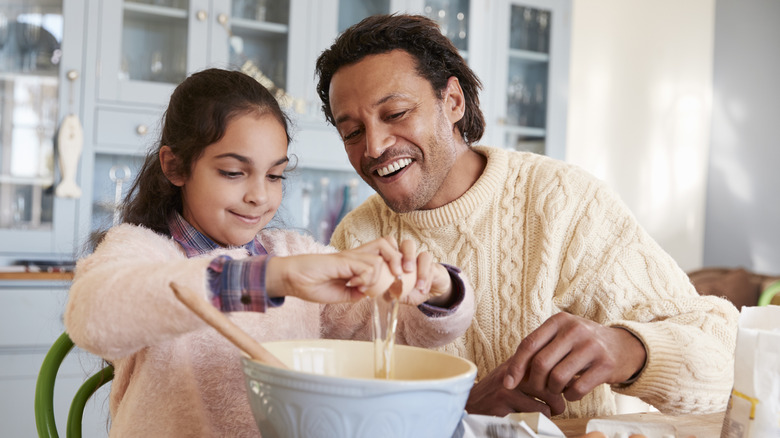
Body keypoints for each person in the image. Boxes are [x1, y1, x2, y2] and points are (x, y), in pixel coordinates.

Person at [315, 14, 738, 419]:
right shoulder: (357, 236)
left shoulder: (564, 203)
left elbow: (725, 357)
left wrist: (629, 349)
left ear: (453, 101)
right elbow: (342, 404)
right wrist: (458, 412)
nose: (372, 147)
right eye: (351, 132)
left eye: (395, 113)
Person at [64, 68, 474, 437]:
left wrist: (434, 291)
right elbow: (92, 316)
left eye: (275, 175)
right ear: (175, 167)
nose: (260, 195)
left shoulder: (292, 251)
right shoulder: (144, 249)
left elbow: (397, 335)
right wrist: (271, 278)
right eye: (232, 172)